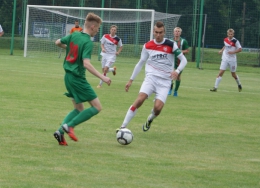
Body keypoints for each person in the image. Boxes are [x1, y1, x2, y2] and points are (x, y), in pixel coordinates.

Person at [118, 21, 187, 132]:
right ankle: (123, 126)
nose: (158, 35)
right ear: (153, 32)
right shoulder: (147, 45)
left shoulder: (171, 44)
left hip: (165, 82)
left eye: (160, 32)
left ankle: (150, 118)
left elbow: (184, 60)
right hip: (151, 78)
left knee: (157, 108)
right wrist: (131, 80)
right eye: (156, 32)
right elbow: (140, 63)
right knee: (140, 99)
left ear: (164, 32)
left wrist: (177, 71)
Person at [53, 13, 111, 146]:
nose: (97, 31)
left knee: (79, 108)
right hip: (77, 78)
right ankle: (69, 126)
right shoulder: (87, 42)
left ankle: (60, 131)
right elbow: (86, 64)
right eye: (97, 28)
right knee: (97, 107)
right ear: (92, 26)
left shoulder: (74, 34)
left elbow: (57, 42)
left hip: (67, 77)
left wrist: (71, 49)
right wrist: (103, 77)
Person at [168, 27, 189, 96]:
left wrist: (180, 51)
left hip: (180, 62)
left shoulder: (183, 41)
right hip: (172, 61)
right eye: (176, 31)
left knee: (178, 76)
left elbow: (187, 50)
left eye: (178, 31)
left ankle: (176, 91)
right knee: (171, 74)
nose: (177, 32)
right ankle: (170, 89)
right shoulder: (170, 41)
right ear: (173, 32)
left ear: (180, 33)